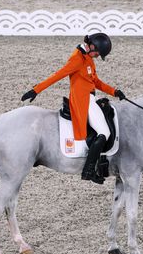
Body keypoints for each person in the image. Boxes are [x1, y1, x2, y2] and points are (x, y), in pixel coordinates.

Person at [21, 33, 125, 184]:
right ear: (92, 47)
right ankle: (88, 170)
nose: (97, 56)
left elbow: (95, 81)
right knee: (104, 132)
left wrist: (114, 91)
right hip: (82, 101)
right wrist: (36, 90)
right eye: (97, 53)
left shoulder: (88, 58)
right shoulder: (77, 59)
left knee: (103, 128)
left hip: (90, 98)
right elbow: (58, 75)